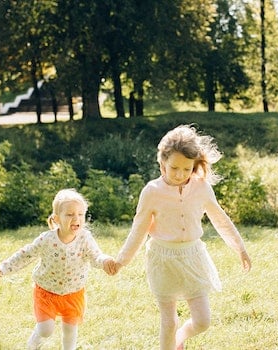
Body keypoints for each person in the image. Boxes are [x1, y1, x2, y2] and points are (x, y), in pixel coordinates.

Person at [108, 125, 252, 350]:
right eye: (174, 167)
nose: (180, 174)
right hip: (162, 259)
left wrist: (240, 248)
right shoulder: (152, 191)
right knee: (168, 321)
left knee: (203, 321)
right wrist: (121, 260)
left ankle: (180, 339)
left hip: (193, 257)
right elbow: (139, 229)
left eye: (187, 169)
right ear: (161, 163)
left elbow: (220, 219)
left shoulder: (202, 188)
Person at [0, 189, 115, 350]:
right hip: (46, 292)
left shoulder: (85, 238)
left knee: (70, 330)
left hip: (73, 293)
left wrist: (105, 261)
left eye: (80, 214)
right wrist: (3, 268)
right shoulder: (47, 239)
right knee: (46, 330)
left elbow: (96, 256)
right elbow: (26, 254)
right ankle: (32, 346)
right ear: (57, 219)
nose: (76, 218)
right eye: (69, 214)